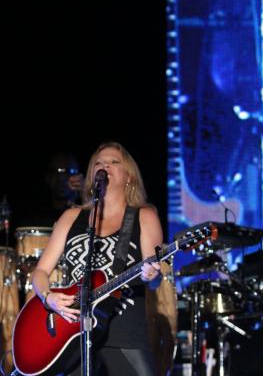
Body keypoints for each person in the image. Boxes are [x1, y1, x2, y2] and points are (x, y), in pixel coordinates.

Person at [30, 141, 163, 376]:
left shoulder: (144, 215)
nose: (105, 166)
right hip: (72, 334)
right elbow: (40, 272)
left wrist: (153, 275)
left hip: (124, 332)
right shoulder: (72, 216)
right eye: (99, 163)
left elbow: (155, 276)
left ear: (129, 176)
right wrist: (48, 297)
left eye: (114, 162)